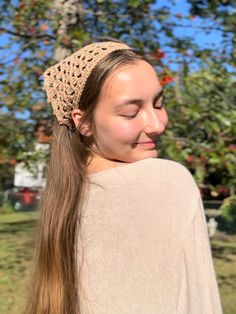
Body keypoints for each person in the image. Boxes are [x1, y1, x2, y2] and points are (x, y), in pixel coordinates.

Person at [26, 41, 222, 314]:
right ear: (82, 122)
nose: (157, 125)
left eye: (158, 104)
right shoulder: (167, 180)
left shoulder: (64, 197)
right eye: (130, 112)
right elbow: (201, 302)